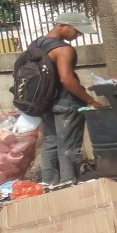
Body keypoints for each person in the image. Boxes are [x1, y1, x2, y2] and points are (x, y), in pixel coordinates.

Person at [31, 12, 104, 185]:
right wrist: (90, 101)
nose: (79, 35)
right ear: (62, 25)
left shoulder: (35, 45)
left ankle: (49, 184)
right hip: (66, 102)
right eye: (77, 30)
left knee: (52, 142)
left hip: (44, 102)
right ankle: (68, 184)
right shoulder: (64, 49)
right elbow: (66, 79)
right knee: (68, 145)